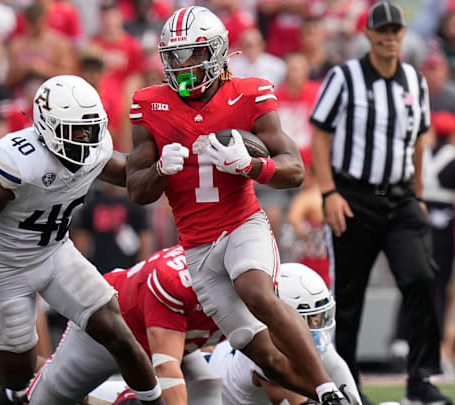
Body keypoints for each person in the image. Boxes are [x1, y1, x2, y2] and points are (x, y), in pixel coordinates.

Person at [126, 6, 352, 405]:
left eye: (193, 54)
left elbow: (294, 170)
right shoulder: (149, 104)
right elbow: (137, 189)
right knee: (265, 356)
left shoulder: (249, 94)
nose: (183, 66)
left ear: (217, 52)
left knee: (257, 290)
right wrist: (160, 169)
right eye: (174, 57)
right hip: (197, 245)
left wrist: (252, 166)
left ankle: (329, 390)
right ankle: (333, 399)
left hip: (241, 223)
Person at [0, 75, 164, 405]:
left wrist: (164, 166)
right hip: (5, 266)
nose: (86, 138)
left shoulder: (93, 150)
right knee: (17, 374)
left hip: (55, 253)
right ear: (47, 125)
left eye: (90, 128)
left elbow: (130, 176)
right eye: (76, 130)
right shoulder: (18, 160)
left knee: (116, 330)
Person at [309, 3, 452, 404]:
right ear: (369, 35)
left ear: (403, 35)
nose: (389, 37)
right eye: (382, 31)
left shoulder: (414, 80)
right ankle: (348, 385)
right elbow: (320, 133)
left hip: (402, 197)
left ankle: (421, 379)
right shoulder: (345, 77)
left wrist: (419, 195)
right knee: (349, 296)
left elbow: (421, 138)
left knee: (421, 277)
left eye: (395, 31)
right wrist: (328, 193)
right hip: (353, 198)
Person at [23, 245, 222, 405]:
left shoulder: (239, 279)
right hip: (111, 329)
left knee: (207, 383)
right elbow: (167, 368)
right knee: (48, 398)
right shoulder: (176, 279)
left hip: (165, 338)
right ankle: (114, 396)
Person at [209, 263, 361, 405]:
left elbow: (348, 389)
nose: (316, 325)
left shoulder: (318, 345)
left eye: (319, 317)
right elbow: (300, 403)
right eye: (310, 318)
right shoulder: (267, 353)